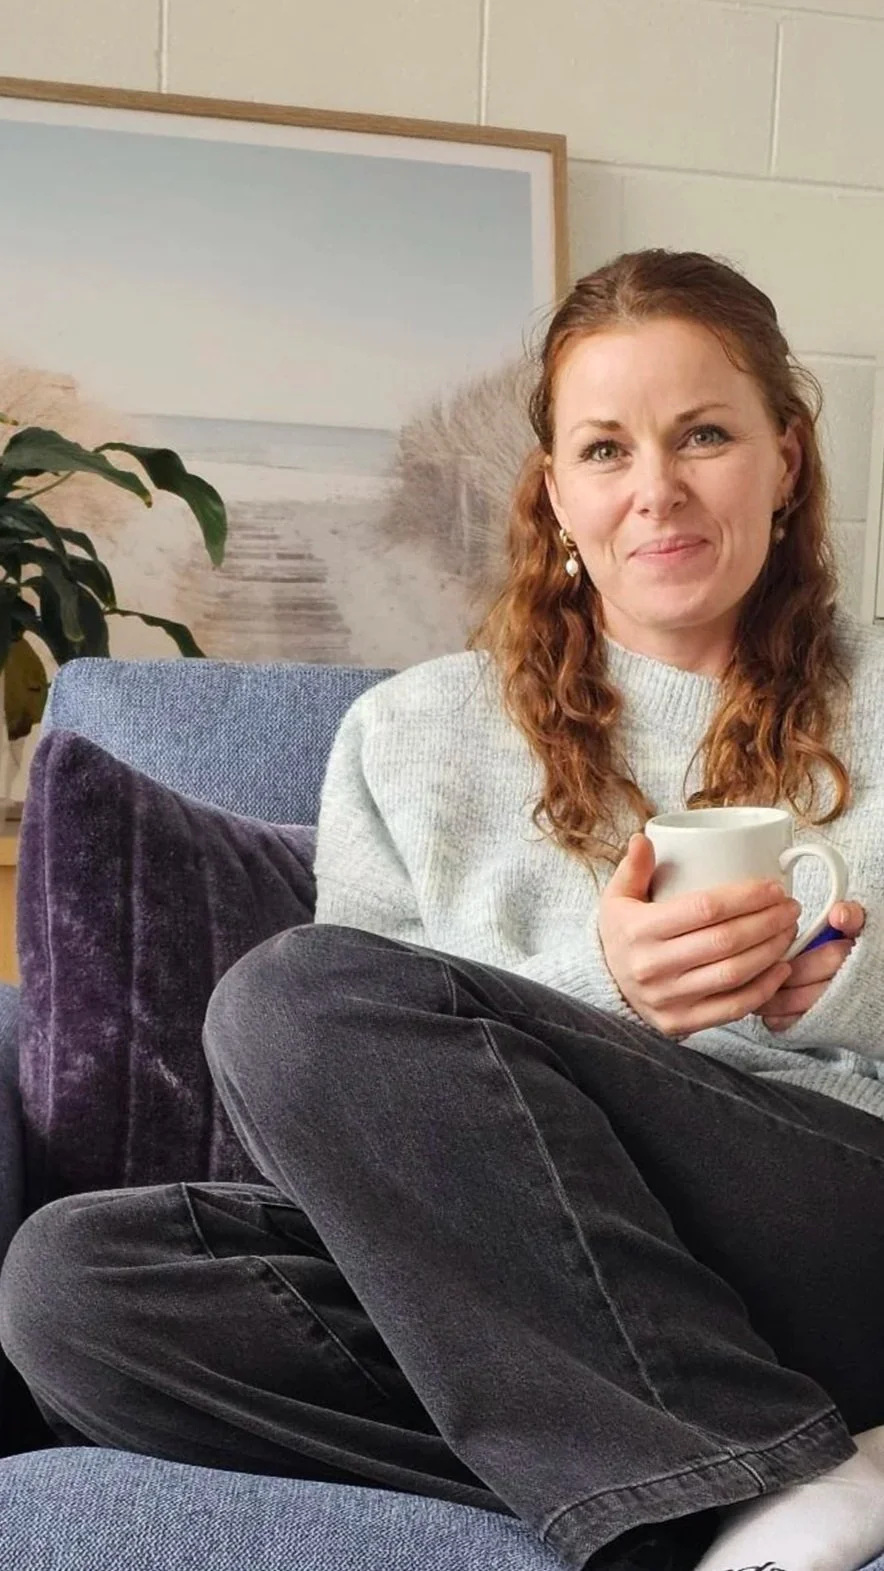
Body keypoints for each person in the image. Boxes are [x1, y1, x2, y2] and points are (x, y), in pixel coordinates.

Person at [1, 249, 884, 1571]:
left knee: (291, 989)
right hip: (530, 1282)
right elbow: (336, 1108)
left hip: (825, 1212)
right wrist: (606, 988)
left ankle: (709, 1458)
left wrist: (846, 990)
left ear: (787, 460)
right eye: (606, 449)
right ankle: (760, 1466)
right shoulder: (410, 735)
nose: (657, 488)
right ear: (557, 491)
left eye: (705, 435)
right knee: (74, 1287)